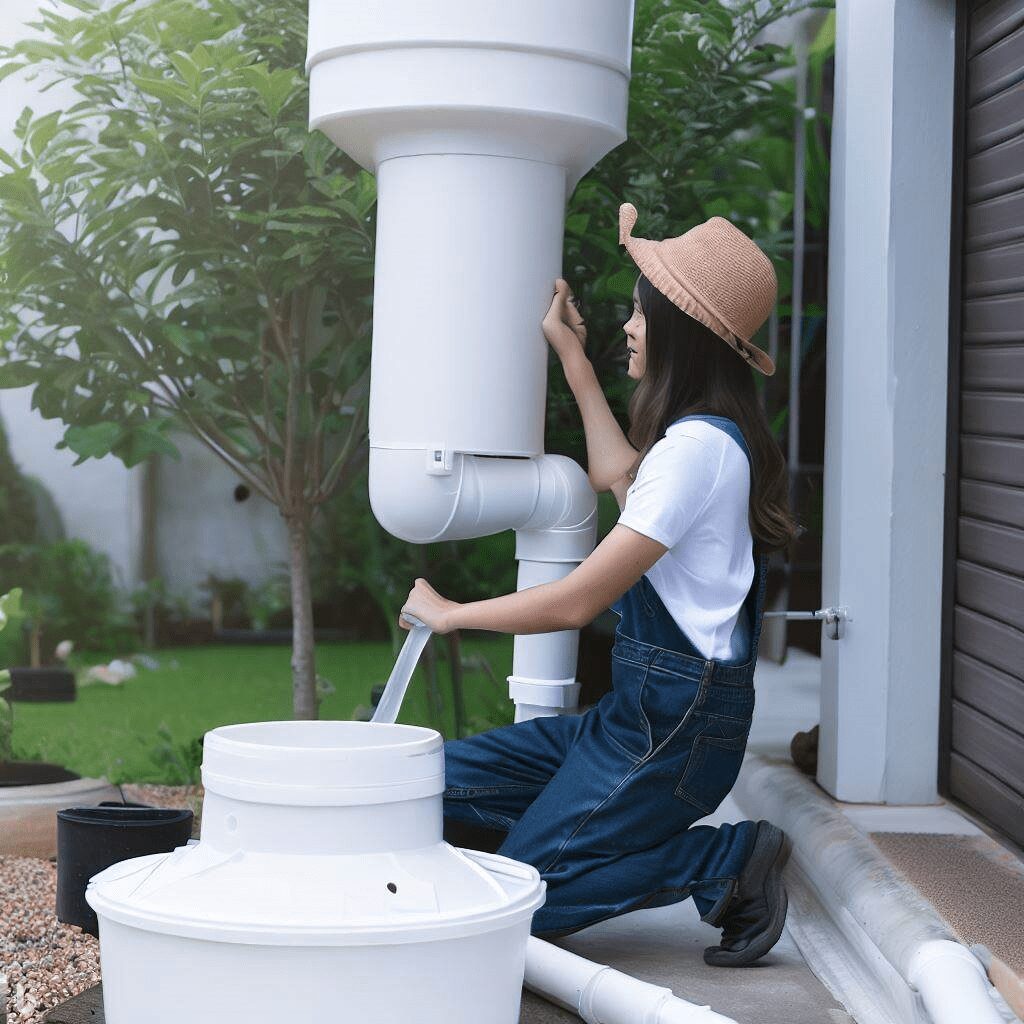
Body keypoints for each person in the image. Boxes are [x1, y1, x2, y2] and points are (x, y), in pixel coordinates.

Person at [398, 202, 801, 967]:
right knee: (419, 788)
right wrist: (574, 358)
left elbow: (580, 600)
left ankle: (720, 862)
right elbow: (619, 476)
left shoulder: (696, 452)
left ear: (680, 330)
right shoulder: (701, 442)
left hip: (673, 735)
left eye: (641, 313)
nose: (630, 326)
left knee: (522, 901)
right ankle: (560, 849)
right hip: (637, 720)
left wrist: (451, 614)